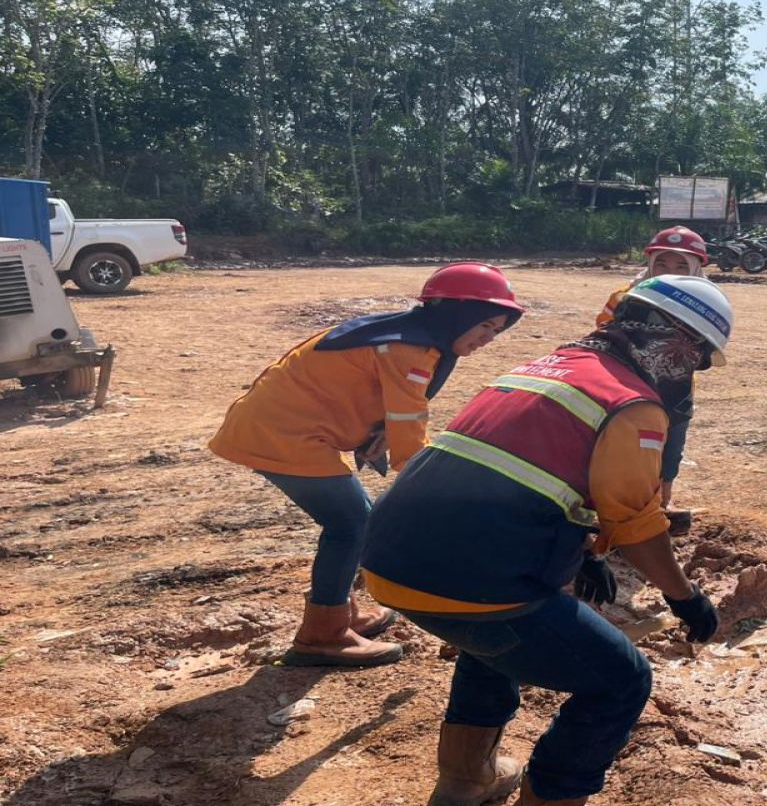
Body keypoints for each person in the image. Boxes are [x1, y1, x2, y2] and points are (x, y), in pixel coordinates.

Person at [360, 274, 732, 806]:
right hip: (472, 581)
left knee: (489, 648)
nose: (691, 373)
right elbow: (636, 523)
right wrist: (685, 596)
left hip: (390, 560)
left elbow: (530, 474)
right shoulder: (633, 404)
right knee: (621, 681)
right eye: (697, 359)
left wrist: (584, 551)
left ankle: (465, 781)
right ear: (679, 342)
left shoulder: (545, 369)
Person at [208, 263, 524, 667]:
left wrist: (381, 436)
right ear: (457, 314)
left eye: (497, 331)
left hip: (282, 426)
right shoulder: (410, 349)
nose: (488, 339)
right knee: (352, 526)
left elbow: (382, 406)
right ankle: (322, 635)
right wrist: (450, 497)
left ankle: (338, 610)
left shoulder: (403, 332)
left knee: (357, 522)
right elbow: (410, 434)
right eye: (485, 325)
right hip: (282, 435)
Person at [596, 227, 710, 534]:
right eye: (662, 263)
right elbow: (604, 332)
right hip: (628, 388)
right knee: (630, 447)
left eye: (681, 265)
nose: (669, 271)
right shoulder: (624, 296)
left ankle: (661, 506)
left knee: (671, 449)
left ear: (696, 268)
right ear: (650, 263)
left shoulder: (705, 303)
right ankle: (622, 512)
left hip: (675, 392)